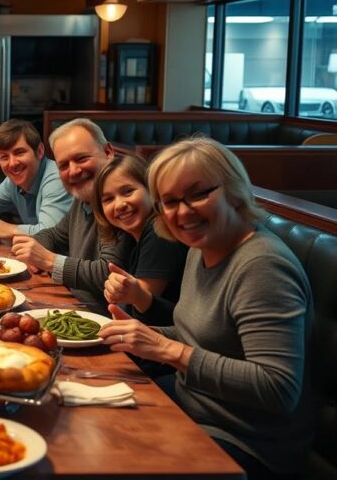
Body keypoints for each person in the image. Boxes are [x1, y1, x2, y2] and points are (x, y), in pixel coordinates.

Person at [99, 137, 313, 479]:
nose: (183, 212)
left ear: (232, 189)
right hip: (189, 404)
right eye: (169, 201)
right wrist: (141, 334)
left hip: (246, 443)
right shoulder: (200, 246)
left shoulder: (262, 265)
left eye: (198, 194)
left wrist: (166, 348)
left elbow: (278, 388)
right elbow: (195, 335)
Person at [10, 118, 132, 311]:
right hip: (73, 302)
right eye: (64, 165)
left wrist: (48, 261)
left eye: (82, 159)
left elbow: (108, 272)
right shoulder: (83, 198)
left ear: (108, 152)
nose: (74, 171)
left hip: (104, 318)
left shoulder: (120, 206)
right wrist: (34, 249)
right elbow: (55, 235)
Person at [92, 153, 188, 327]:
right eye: (108, 199)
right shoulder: (132, 236)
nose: (119, 204)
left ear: (150, 189)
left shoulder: (159, 230)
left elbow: (141, 313)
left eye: (127, 191)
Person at [0, 119, 71, 238]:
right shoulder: (13, 181)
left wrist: (8, 229)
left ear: (40, 151)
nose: (12, 163)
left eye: (19, 153)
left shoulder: (57, 180)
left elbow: (50, 234)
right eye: (4, 157)